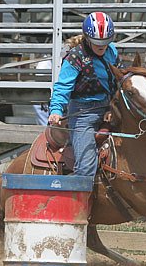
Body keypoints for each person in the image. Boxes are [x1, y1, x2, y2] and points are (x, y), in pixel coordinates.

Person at [47, 12, 122, 178]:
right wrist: (56, 110)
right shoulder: (75, 58)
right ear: (87, 38)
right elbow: (62, 86)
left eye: (105, 42)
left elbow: (118, 80)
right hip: (83, 113)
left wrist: (113, 107)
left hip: (109, 107)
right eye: (97, 42)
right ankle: (79, 198)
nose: (101, 46)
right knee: (86, 168)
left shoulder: (112, 52)